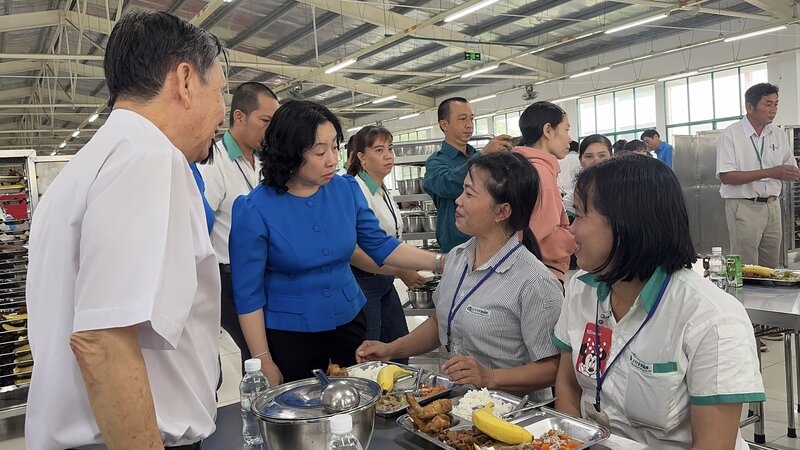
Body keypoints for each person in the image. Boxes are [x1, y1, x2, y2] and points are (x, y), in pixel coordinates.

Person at [26, 10, 226, 449]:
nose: (222, 114)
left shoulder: (86, 168)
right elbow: (102, 342)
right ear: (186, 81)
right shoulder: (148, 158)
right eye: (221, 91)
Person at [553, 155, 764, 449]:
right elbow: (567, 385)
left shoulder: (712, 317)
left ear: (626, 224)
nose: (570, 229)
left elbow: (712, 444)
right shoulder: (581, 289)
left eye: (580, 216)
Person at [230, 100, 443, 386]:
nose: (332, 159)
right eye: (320, 151)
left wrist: (439, 261)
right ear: (289, 153)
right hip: (291, 333)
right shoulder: (254, 209)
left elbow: (380, 245)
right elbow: (248, 295)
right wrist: (263, 359)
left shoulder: (344, 189)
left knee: (355, 398)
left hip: (349, 319)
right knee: (305, 411)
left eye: (334, 147)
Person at [357, 152, 563, 401]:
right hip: (460, 405)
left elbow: (553, 367)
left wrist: (490, 377)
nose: (458, 200)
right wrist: (391, 349)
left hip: (513, 417)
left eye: (469, 193)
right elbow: (441, 324)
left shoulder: (534, 281)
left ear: (502, 211)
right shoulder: (457, 258)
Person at [199, 82, 279, 370]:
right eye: (265, 121)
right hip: (229, 279)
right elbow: (200, 226)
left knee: (272, 344)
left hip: (262, 271)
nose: (270, 130)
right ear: (239, 117)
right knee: (256, 352)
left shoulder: (259, 163)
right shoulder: (214, 164)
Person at [346, 125, 425, 356]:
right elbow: (355, 249)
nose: (388, 155)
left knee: (397, 348)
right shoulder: (355, 190)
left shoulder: (382, 189)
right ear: (361, 157)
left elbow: (390, 237)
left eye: (390, 148)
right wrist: (400, 270)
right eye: (379, 150)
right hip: (363, 282)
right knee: (370, 353)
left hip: (385, 281)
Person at [716, 82, 800, 267]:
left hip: (772, 205)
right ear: (749, 107)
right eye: (768, 104)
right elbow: (727, 176)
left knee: (771, 265)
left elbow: (790, 167)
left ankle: (769, 296)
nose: (773, 110)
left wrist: (791, 173)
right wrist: (772, 172)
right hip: (744, 206)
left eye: (776, 104)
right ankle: (743, 297)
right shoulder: (731, 135)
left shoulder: (778, 134)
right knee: (746, 265)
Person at [423, 97, 514, 252]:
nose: (469, 125)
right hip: (457, 247)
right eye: (462, 119)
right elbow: (448, 185)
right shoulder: (436, 163)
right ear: (444, 124)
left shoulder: (479, 155)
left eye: (471, 119)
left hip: (491, 243)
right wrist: (483, 155)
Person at [512, 101, 576, 284]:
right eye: (566, 130)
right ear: (548, 131)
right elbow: (540, 238)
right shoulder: (540, 174)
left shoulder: (521, 166)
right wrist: (575, 238)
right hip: (542, 273)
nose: (569, 139)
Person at [557, 140, 580, 219]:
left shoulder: (559, 160)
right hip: (576, 195)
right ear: (578, 149)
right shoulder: (580, 159)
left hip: (561, 195)